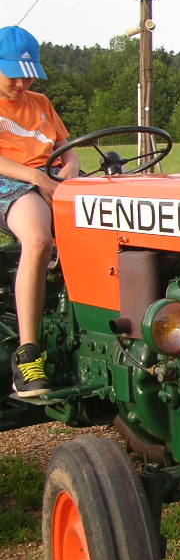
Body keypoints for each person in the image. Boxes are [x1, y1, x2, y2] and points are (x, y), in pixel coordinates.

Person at [0, 26, 80, 397]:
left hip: (50, 178)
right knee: (38, 240)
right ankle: (27, 354)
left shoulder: (41, 102)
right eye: (13, 75)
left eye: (28, 75)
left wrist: (70, 170)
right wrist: (38, 178)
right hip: (10, 183)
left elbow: (68, 149)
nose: (21, 83)